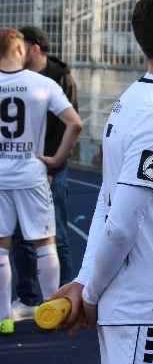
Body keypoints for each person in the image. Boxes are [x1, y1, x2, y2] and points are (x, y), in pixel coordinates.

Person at [49, 0, 153, 363]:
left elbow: (105, 206)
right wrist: (89, 294)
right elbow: (121, 223)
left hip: (141, 312)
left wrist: (87, 281)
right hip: (148, 312)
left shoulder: (135, 101)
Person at [0, 28, 82, 335]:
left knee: (2, 247)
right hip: (31, 174)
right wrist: (56, 159)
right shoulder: (42, 83)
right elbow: (75, 123)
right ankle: (51, 311)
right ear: (21, 50)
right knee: (45, 242)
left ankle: (4, 317)